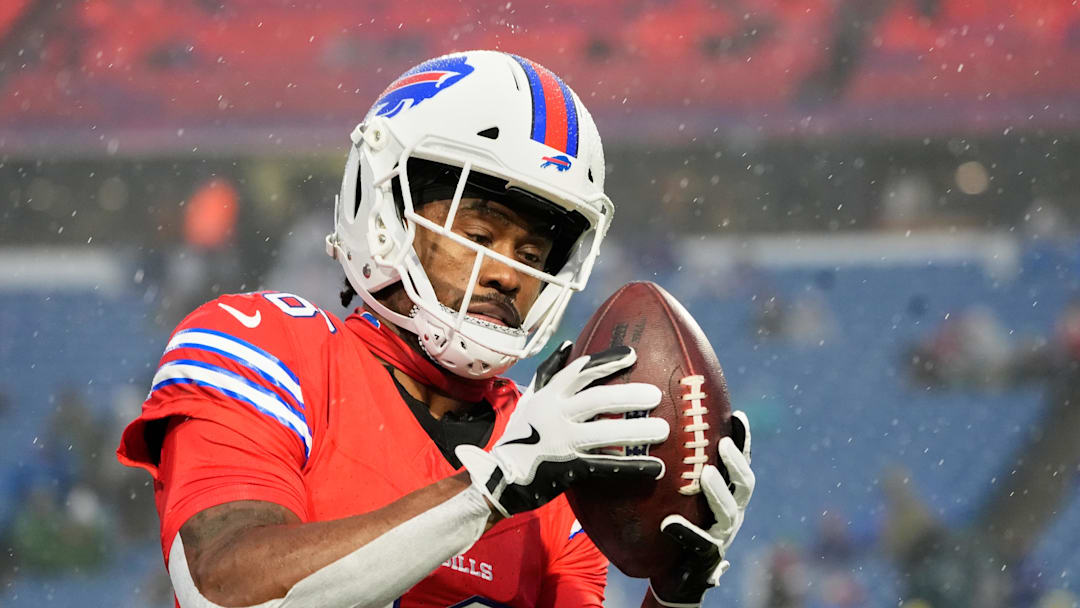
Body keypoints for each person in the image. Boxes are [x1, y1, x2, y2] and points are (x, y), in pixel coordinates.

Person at [117, 50, 755, 608]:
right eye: (478, 235)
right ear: (384, 219)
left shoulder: (551, 449)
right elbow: (224, 592)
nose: (508, 275)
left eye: (532, 255)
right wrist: (489, 489)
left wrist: (673, 595)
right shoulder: (267, 345)